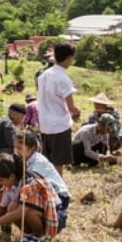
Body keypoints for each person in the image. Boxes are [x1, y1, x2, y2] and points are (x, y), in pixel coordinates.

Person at [0, 154, 60, 242]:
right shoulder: (8, 184)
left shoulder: (30, 184)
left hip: (51, 217)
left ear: (12, 177)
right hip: (33, 213)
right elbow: (2, 209)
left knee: (28, 212)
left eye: (1, 180)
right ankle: (28, 235)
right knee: (11, 206)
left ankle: (38, 236)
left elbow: (20, 212)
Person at [13, 130, 70, 232]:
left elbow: (32, 186)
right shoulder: (25, 160)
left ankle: (38, 233)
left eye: (20, 148)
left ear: (32, 148)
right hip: (47, 193)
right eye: (15, 147)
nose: (17, 151)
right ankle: (30, 232)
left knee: (27, 208)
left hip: (59, 196)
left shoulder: (37, 163)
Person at [37, 43, 81, 175]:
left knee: (48, 162)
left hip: (45, 124)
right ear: (69, 58)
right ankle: (57, 186)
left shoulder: (43, 75)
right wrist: (77, 111)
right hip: (59, 126)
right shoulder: (63, 78)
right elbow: (71, 107)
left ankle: (48, 185)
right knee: (58, 164)